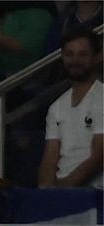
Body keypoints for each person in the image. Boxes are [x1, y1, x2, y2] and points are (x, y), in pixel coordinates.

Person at [38, 28, 103, 189]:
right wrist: (45, 193)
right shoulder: (56, 107)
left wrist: (63, 191)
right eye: (69, 54)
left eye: (82, 54)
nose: (75, 60)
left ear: (97, 57)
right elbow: (50, 160)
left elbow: (100, 158)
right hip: (63, 193)